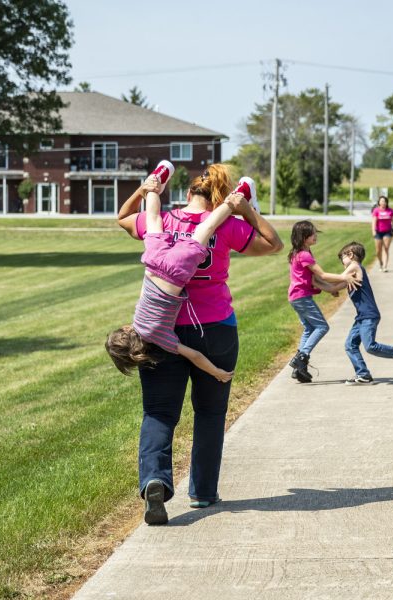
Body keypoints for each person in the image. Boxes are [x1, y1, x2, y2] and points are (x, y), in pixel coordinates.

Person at [116, 163, 283, 525]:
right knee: (210, 413)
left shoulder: (161, 224)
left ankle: (155, 480)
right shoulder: (227, 226)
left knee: (159, 412)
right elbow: (274, 244)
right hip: (215, 327)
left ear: (189, 192)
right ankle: (203, 492)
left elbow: (124, 217)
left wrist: (148, 189)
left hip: (160, 329)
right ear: (220, 197)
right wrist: (246, 209)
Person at [106, 163, 245, 385]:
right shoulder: (137, 320)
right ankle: (155, 183)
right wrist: (146, 191)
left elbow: (195, 356)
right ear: (126, 329)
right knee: (154, 220)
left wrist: (217, 372)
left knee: (205, 229)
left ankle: (235, 198)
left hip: (175, 272)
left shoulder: (161, 338)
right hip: (152, 263)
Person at [287, 220, 359, 383]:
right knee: (322, 326)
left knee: (309, 328)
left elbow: (313, 280)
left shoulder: (300, 252)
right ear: (304, 237)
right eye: (312, 233)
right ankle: (301, 358)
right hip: (301, 297)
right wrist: (344, 277)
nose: (315, 235)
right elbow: (322, 275)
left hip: (296, 297)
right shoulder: (304, 255)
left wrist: (331, 289)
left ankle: (300, 369)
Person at [337, 241, 393, 384]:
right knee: (350, 345)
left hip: (369, 315)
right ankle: (363, 374)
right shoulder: (351, 273)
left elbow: (337, 279)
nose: (342, 263)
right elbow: (334, 285)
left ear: (350, 255)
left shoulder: (354, 266)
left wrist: (318, 277)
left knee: (370, 346)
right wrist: (320, 285)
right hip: (361, 317)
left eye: (342, 259)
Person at [371, 195, 393, 272]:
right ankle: (380, 263)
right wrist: (373, 231)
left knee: (386, 248)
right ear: (379, 202)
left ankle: (385, 266)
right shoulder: (376, 211)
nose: (383, 202)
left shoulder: (390, 211)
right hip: (378, 232)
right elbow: (373, 222)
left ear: (386, 202)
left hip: (387, 232)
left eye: (384, 201)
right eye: (382, 201)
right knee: (378, 251)